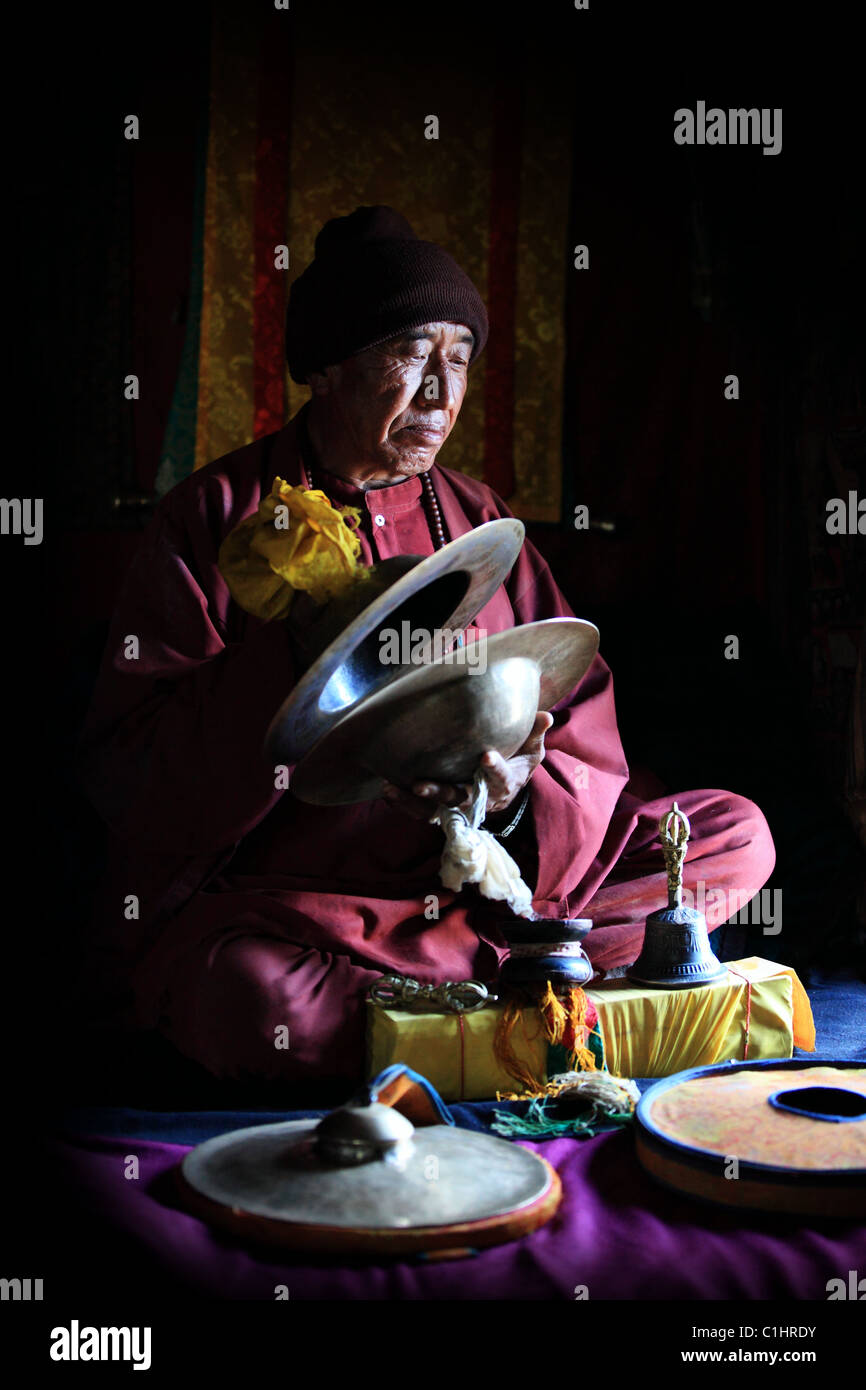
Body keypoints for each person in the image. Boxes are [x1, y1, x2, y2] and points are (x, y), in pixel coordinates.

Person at [79, 205, 775, 1084]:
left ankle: (445, 1029)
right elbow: (129, 766)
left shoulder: (477, 519)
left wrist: (520, 803)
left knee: (730, 835)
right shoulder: (215, 519)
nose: (442, 396)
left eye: (459, 360)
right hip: (327, 911)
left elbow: (581, 713)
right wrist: (294, 658)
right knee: (249, 998)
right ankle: (532, 1015)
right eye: (411, 355)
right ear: (328, 368)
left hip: (495, 891)